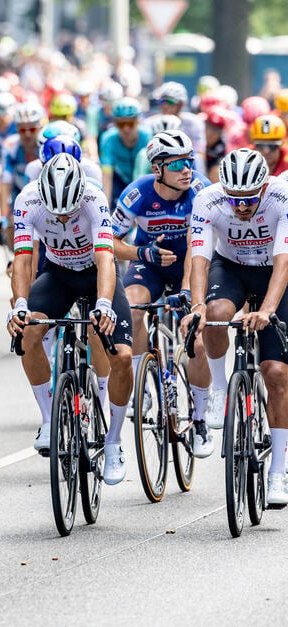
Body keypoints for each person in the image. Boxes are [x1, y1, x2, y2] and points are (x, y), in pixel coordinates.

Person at [7, 154, 134, 485]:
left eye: (68, 211)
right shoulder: (27, 200)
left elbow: (106, 258)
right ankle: (49, 419)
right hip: (59, 273)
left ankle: (114, 441)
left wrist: (104, 304)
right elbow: (22, 259)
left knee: (119, 356)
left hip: (96, 274)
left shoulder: (94, 199)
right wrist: (19, 304)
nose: (62, 218)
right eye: (56, 212)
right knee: (28, 333)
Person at [181, 148, 288, 503]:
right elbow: (199, 257)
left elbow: (283, 261)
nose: (241, 207)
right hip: (232, 268)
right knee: (215, 313)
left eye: (248, 199)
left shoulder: (280, 198)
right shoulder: (208, 201)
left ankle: (278, 472)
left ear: (262, 187)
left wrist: (268, 309)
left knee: (275, 372)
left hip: (275, 273)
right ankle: (218, 392)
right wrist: (196, 306)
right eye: (234, 199)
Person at [111, 131, 214, 457]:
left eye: (191, 161)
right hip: (152, 261)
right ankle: (144, 386)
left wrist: (187, 291)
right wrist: (142, 254)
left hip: (191, 261)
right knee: (135, 306)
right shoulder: (137, 193)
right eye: (179, 163)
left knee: (197, 337)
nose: (188, 169)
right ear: (157, 169)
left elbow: (199, 249)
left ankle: (199, 418)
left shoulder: (199, 191)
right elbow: (109, 242)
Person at [100, 98, 152, 211]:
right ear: (114, 123)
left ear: (138, 121)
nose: (126, 128)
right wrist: (105, 209)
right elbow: (107, 175)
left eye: (130, 123)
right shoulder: (108, 139)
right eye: (120, 124)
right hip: (120, 180)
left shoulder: (149, 136)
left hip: (144, 178)